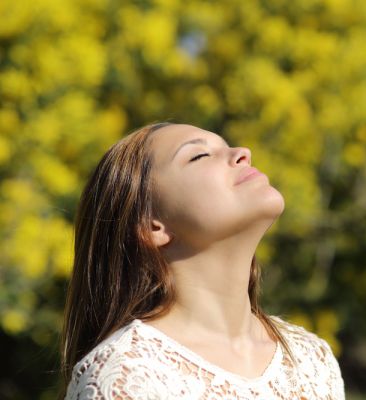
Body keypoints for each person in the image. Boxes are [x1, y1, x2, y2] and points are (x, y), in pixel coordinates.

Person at [60, 122, 345, 399]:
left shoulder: (310, 359)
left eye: (228, 146)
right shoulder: (125, 375)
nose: (242, 152)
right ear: (152, 226)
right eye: (200, 155)